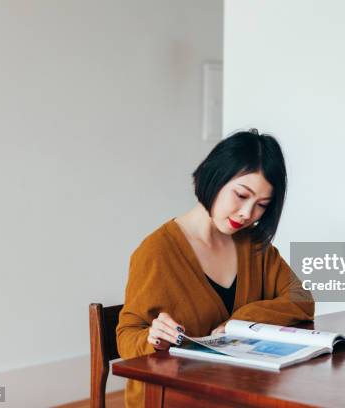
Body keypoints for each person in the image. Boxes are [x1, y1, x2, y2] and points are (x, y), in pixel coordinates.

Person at [116, 129, 315, 407]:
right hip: (173, 398)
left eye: (261, 205)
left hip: (240, 393)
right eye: (241, 195)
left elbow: (301, 298)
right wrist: (153, 338)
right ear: (215, 176)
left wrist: (240, 323)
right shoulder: (157, 251)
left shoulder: (253, 246)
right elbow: (127, 335)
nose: (248, 213)